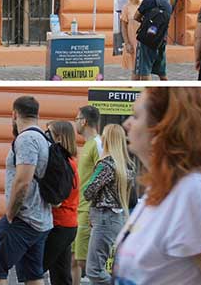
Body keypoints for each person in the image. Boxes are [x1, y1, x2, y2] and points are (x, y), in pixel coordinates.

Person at [118, 88, 201, 284]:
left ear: (163, 128)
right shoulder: (163, 187)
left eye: (137, 116)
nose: (127, 123)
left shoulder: (197, 194)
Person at [0, 96, 52, 285]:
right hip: (41, 219)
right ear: (37, 114)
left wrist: (10, 214)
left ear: (14, 114)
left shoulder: (27, 139)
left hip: (24, 218)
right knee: (33, 275)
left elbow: (23, 181)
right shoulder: (44, 138)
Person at [84, 124, 134, 285]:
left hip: (104, 218)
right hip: (117, 217)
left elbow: (88, 191)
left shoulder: (105, 165)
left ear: (106, 140)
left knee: (94, 270)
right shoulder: (127, 166)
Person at [42, 121, 80, 285]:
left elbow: (56, 199)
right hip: (67, 225)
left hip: (60, 225)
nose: (45, 136)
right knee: (61, 276)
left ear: (59, 138)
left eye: (48, 133)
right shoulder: (69, 161)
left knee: (35, 270)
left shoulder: (63, 164)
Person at [71, 105, 103, 285]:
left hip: (88, 211)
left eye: (76, 119)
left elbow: (106, 174)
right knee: (73, 258)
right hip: (77, 209)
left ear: (83, 121)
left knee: (84, 261)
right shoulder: (87, 145)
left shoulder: (98, 144)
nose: (75, 122)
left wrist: (95, 209)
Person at [133, 0, 172, 81]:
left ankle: (150, 95)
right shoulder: (168, 5)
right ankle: (168, 92)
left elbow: (136, 16)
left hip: (147, 40)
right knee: (162, 73)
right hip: (161, 41)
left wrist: (145, 22)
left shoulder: (149, 1)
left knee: (145, 70)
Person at [120, 0, 142, 80]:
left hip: (145, 42)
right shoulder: (126, 7)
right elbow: (123, 27)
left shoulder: (146, 4)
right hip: (133, 42)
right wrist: (127, 43)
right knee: (135, 69)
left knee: (144, 69)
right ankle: (133, 90)